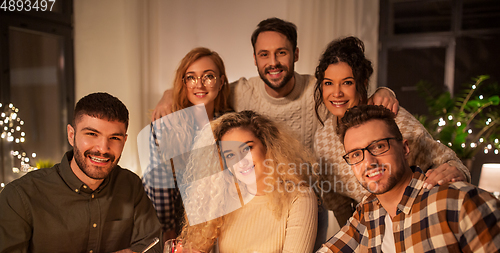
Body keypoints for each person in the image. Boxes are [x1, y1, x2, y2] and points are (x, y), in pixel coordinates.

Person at [305, 105, 500, 253]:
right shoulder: (368, 214)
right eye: (356, 154)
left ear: (405, 148)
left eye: (379, 146)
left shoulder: (457, 201)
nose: (369, 162)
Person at [0, 92, 162, 253]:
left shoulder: (131, 185)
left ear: (124, 141)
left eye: (114, 138)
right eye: (91, 134)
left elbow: (152, 248)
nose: (103, 148)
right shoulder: (21, 195)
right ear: (71, 134)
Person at [152, 18, 398, 153]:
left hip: (308, 195)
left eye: (281, 53)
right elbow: (205, 89)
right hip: (259, 196)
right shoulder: (241, 92)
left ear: (296, 54)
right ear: (255, 58)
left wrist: (383, 91)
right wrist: (168, 94)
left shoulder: (318, 90)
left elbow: (350, 95)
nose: (273, 63)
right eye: (264, 55)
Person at [313, 36, 470, 226]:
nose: (336, 93)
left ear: (362, 83)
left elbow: (448, 162)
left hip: (421, 220)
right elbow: (339, 204)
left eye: (347, 82)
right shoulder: (322, 139)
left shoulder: (390, 116)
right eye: (329, 83)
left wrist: (455, 172)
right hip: (373, 230)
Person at [162, 111, 319, 253]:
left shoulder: (300, 197)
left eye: (246, 149)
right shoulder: (221, 196)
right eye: (230, 155)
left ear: (267, 146)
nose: (241, 162)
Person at [141, 47, 230, 243]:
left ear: (221, 81)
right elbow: (159, 184)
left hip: (222, 221)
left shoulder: (231, 125)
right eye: (191, 77)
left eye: (208, 76)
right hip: (174, 223)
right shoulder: (166, 125)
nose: (199, 84)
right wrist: (169, 232)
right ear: (183, 83)